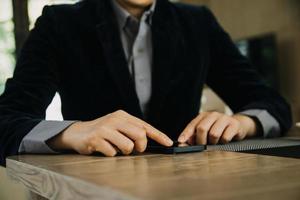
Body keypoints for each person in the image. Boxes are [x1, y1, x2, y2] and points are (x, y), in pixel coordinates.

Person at [0, 0, 292, 166]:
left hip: (188, 190)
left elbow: (273, 104)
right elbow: (6, 120)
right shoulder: (59, 22)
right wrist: (72, 132)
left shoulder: (198, 22)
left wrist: (242, 123)